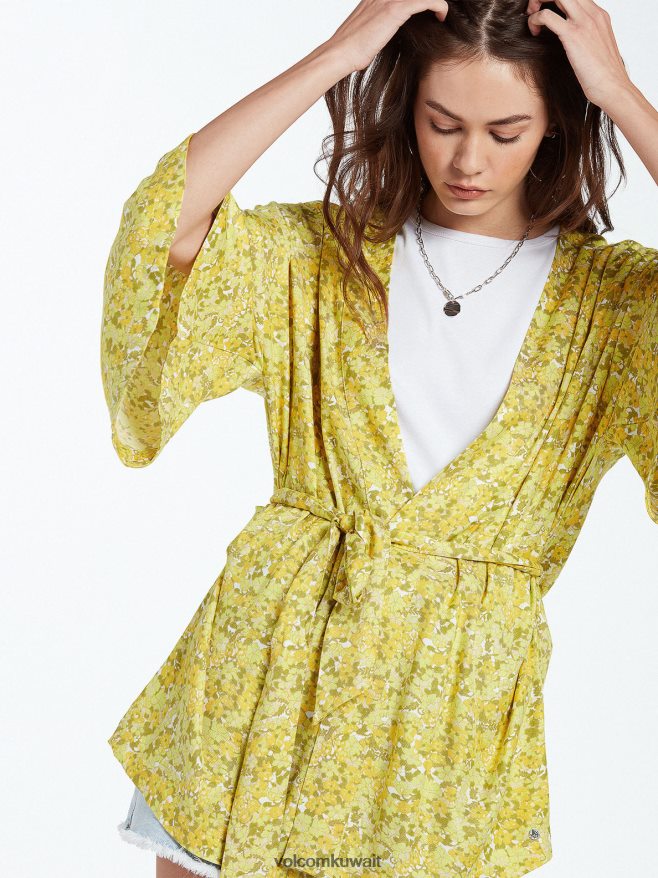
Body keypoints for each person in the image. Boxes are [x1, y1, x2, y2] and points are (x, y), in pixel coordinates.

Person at [102, 1, 657, 876]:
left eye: (505, 131)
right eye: (443, 123)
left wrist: (622, 95)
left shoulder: (613, 307)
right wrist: (337, 55)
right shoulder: (325, 256)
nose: (468, 161)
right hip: (264, 675)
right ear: (409, 112)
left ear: (556, 124)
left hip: (448, 723)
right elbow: (163, 226)